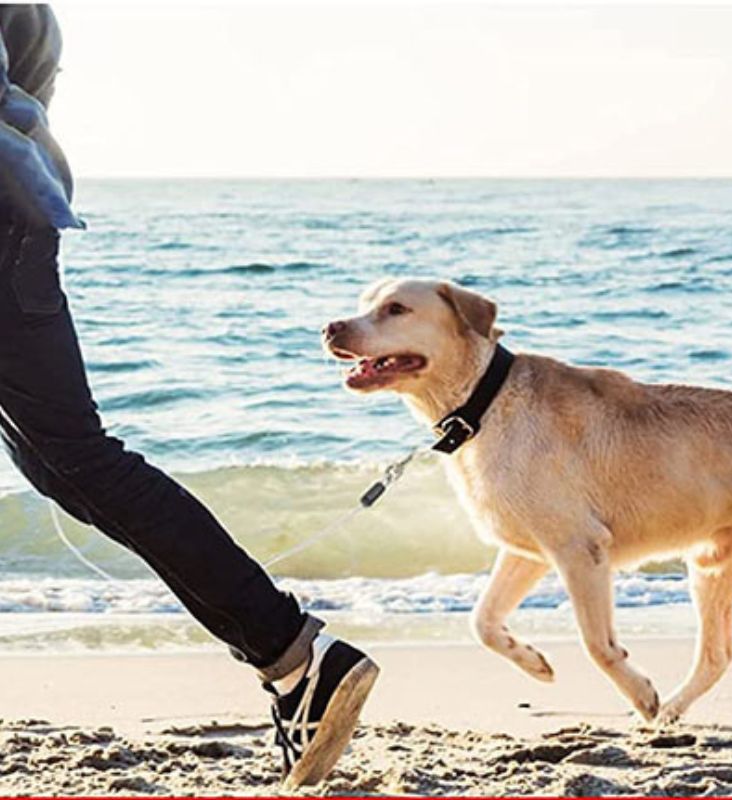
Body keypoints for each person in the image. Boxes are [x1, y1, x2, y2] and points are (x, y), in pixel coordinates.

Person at [0, 4, 378, 788]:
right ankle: (295, 658)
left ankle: (295, 654)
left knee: (78, 462)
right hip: (18, 233)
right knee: (69, 465)